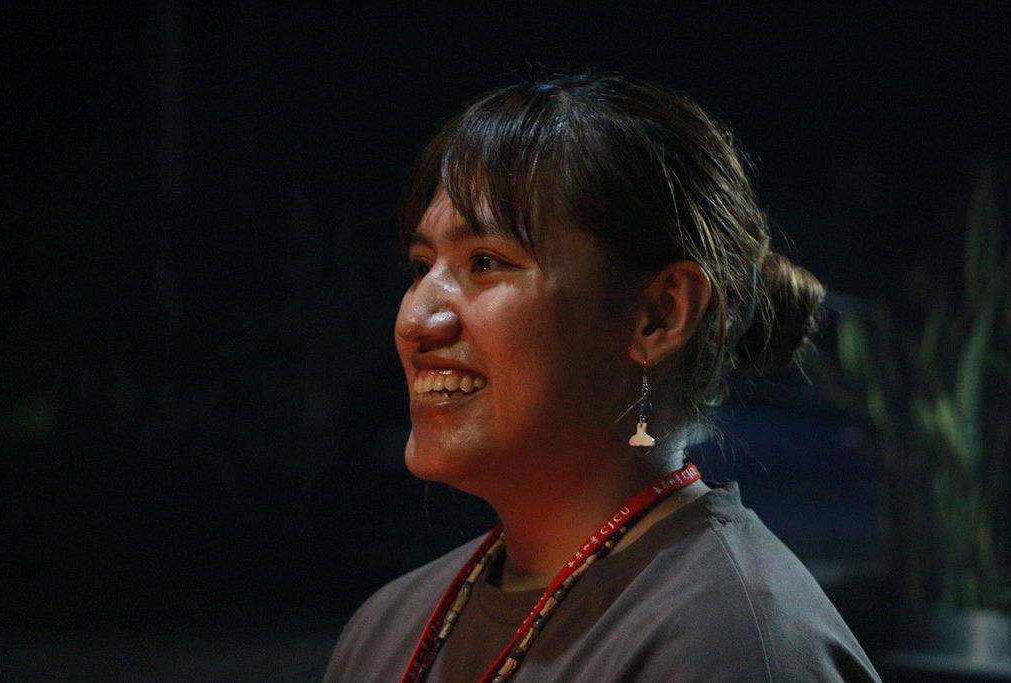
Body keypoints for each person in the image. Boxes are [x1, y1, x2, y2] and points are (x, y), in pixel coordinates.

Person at [325, 73, 881, 682]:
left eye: (485, 262)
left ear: (659, 315)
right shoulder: (392, 625)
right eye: (421, 266)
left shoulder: (734, 645)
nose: (414, 320)